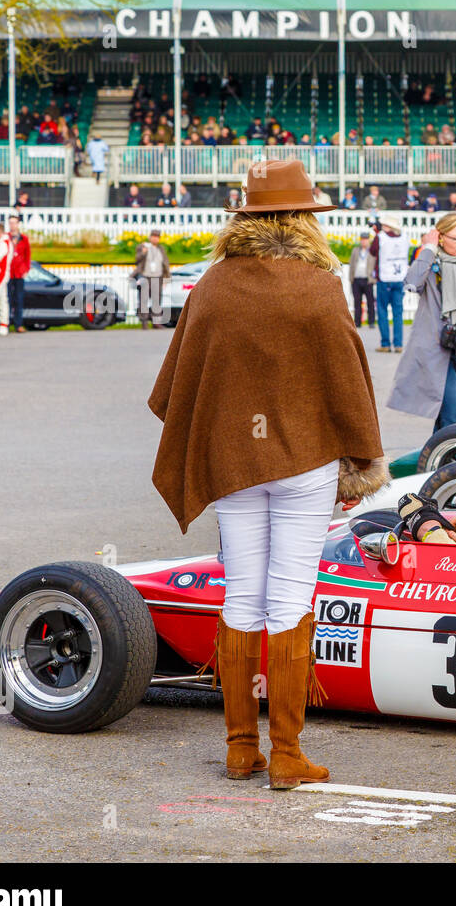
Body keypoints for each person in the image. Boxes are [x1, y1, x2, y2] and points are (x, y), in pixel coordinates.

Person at [149, 159, 385, 790]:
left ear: (245, 218)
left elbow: (178, 382)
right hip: (304, 461)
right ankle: (286, 754)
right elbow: (346, 375)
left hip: (233, 461)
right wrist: (361, 455)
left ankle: (238, 747)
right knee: (289, 598)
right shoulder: (318, 285)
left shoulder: (216, 284)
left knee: (241, 594)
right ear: (305, 219)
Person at [389, 212, 456, 432]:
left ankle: (434, 462)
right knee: (454, 416)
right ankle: (454, 465)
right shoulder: (431, 262)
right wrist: (428, 249)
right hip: (436, 348)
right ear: (440, 237)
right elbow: (411, 283)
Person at [371, 213, 409, 352]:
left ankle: (385, 343)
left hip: (385, 278)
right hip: (399, 278)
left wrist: (377, 234)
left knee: (382, 311)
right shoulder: (404, 237)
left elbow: (372, 251)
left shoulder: (380, 237)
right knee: (398, 313)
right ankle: (398, 344)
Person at [134, 229, 171, 329]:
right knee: (143, 300)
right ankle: (144, 322)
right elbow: (137, 259)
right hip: (145, 277)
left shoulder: (161, 249)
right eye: (153, 236)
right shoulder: (143, 247)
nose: (155, 238)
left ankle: (156, 322)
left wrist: (166, 278)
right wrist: (143, 252)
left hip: (158, 277)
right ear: (150, 237)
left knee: (157, 300)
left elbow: (166, 264)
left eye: (157, 236)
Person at [347, 233, 377, 328]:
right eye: (362, 239)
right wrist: (351, 278)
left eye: (365, 239)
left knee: (370, 302)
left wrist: (373, 278)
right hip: (357, 279)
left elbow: (375, 264)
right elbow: (351, 264)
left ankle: (371, 322)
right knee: (357, 302)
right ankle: (357, 322)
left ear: (368, 240)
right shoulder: (356, 250)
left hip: (367, 279)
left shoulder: (371, 251)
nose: (364, 241)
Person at [7, 216, 30, 333]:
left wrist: (26, 269)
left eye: (14, 223)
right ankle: (5, 323)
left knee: (19, 299)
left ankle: (18, 324)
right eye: (10, 223)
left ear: (18, 224)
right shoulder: (6, 238)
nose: (12, 225)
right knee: (7, 299)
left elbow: (27, 255)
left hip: (19, 273)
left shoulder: (24, 239)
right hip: (8, 273)